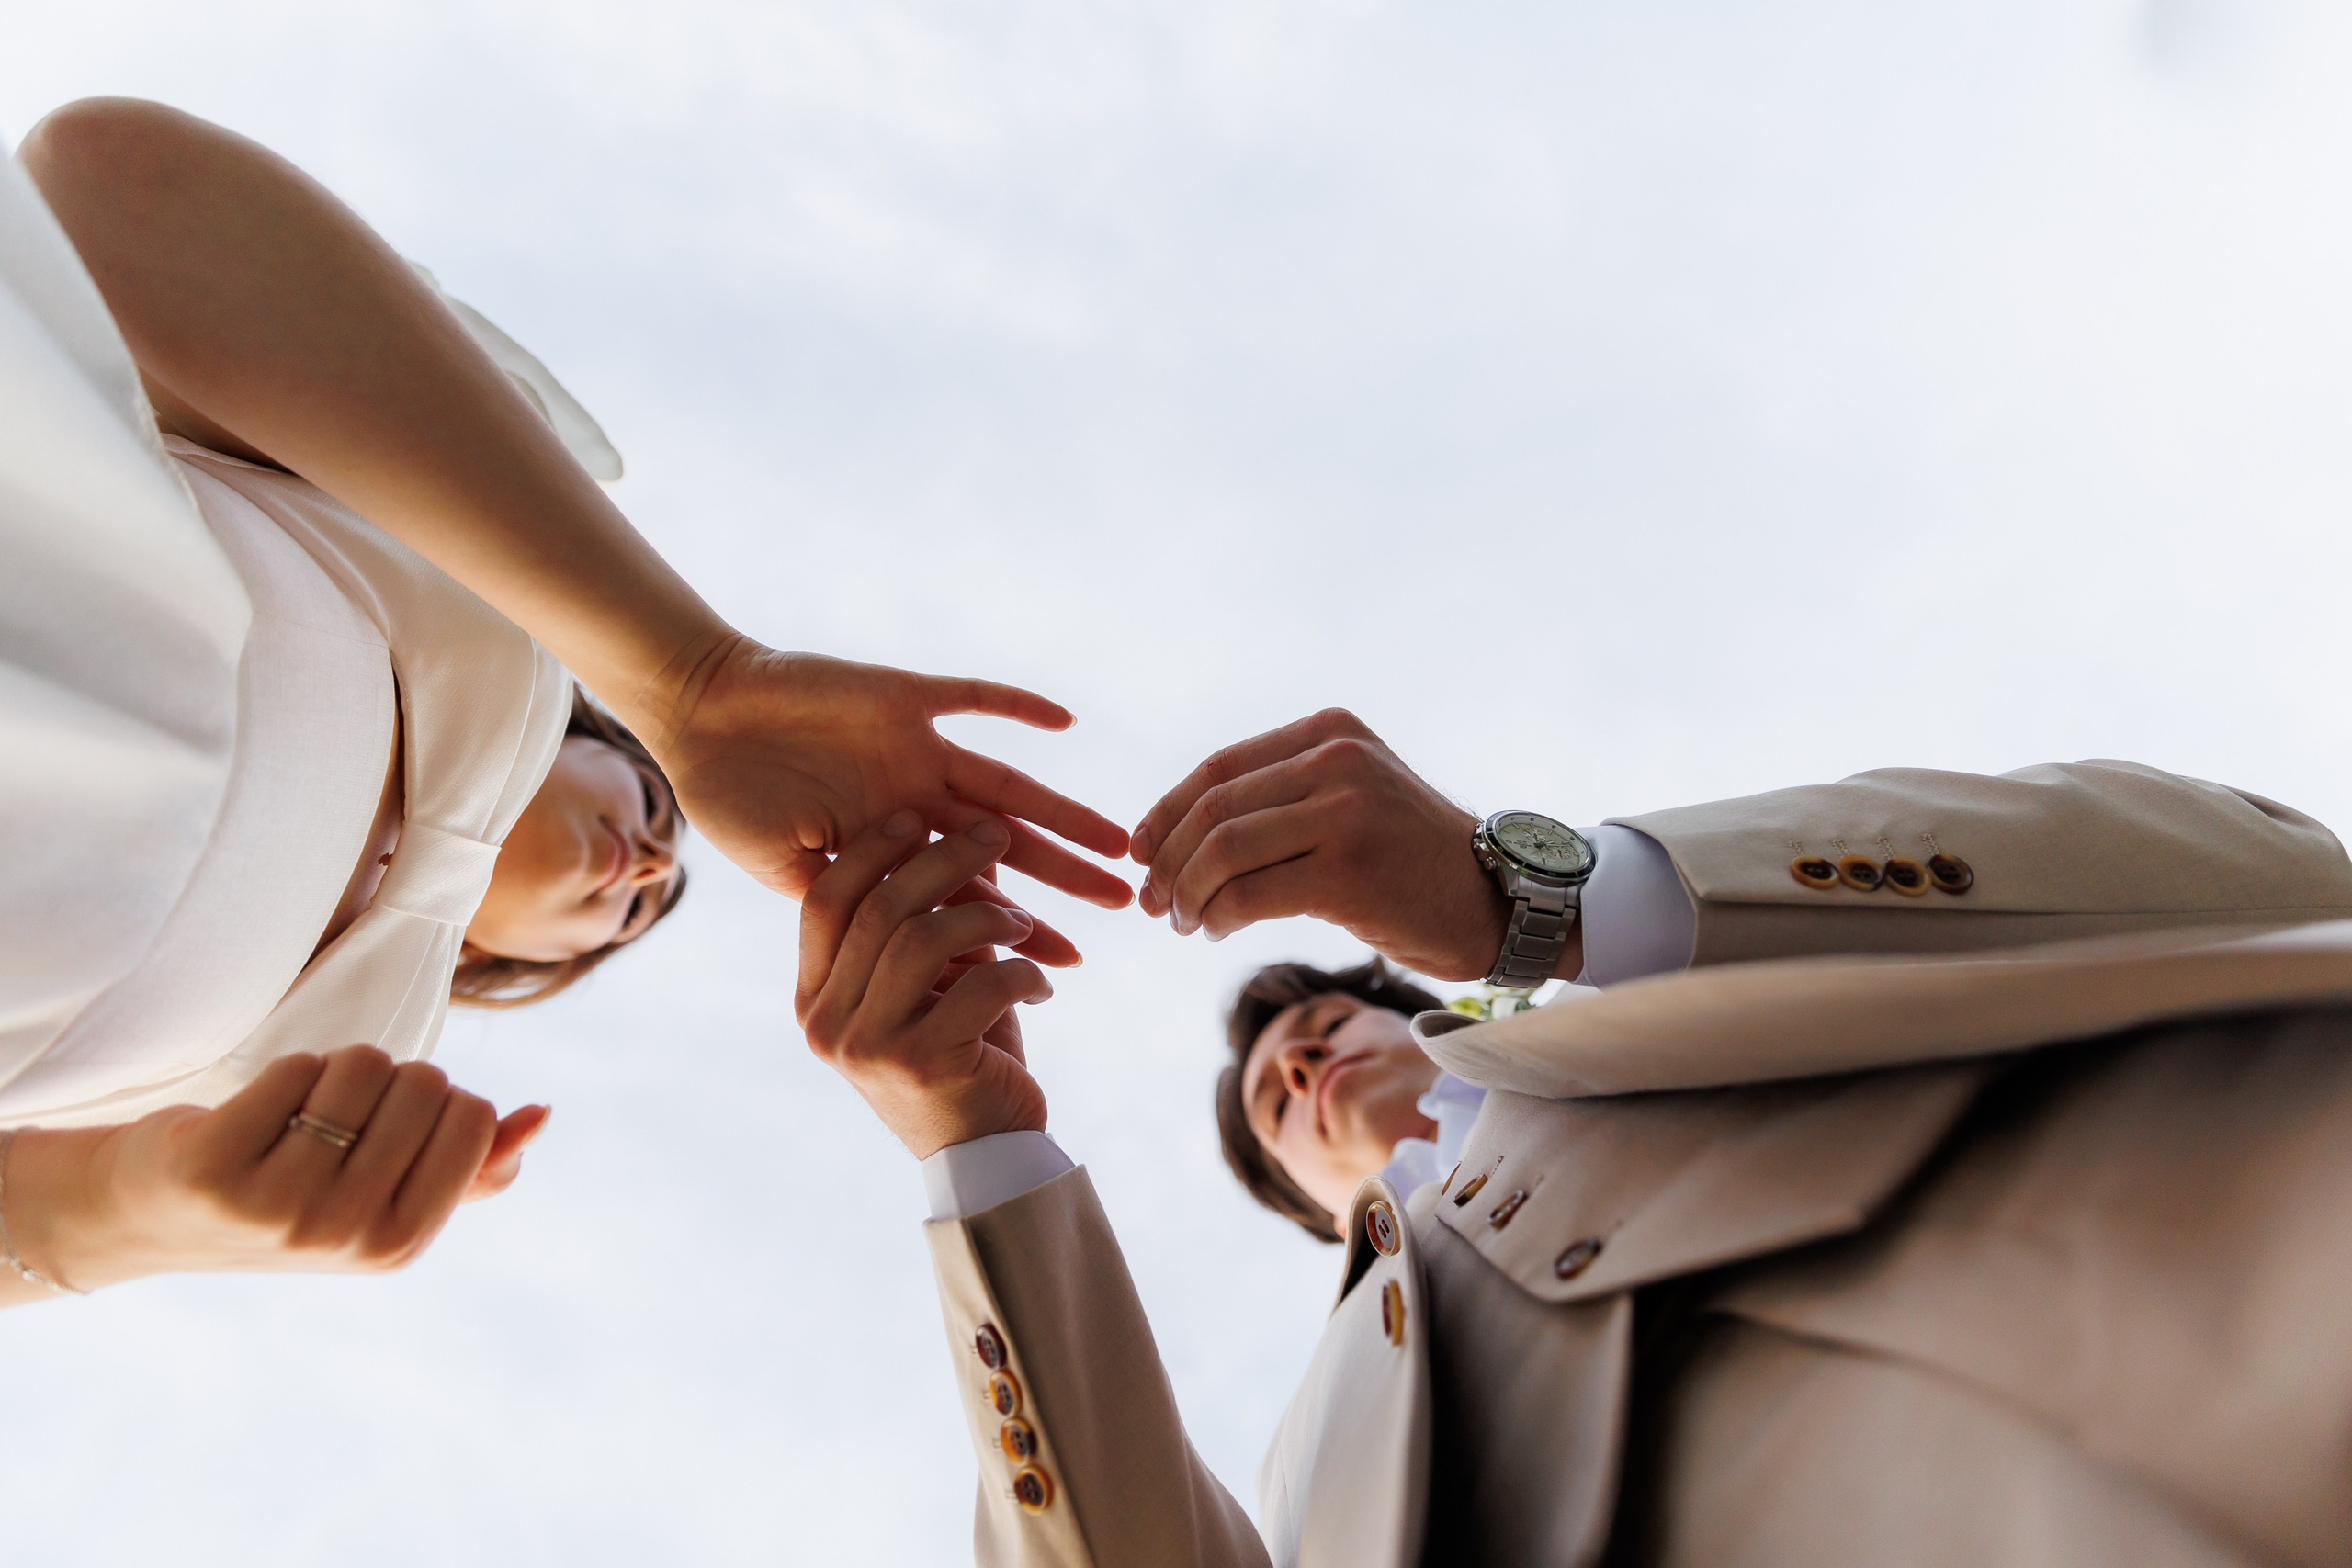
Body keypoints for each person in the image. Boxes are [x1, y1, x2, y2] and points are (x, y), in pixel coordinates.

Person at [0, 98, 1128, 1306]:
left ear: (519, 963)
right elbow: (104, 188)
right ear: (597, 733)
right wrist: (691, 680)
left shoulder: (335, 1097)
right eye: (652, 807)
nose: (646, 863)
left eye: (633, 911)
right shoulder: (465, 564)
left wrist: (125, 1209)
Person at [801, 706, 2352, 1566]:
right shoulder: (1315, 1466)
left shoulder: (1711, 995)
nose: (1303, 1060)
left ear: (1419, 1009)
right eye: (1273, 1097)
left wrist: (1541, 900)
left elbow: (2277, 877)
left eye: (1324, 1021)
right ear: (1301, 1203)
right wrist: (973, 1149)